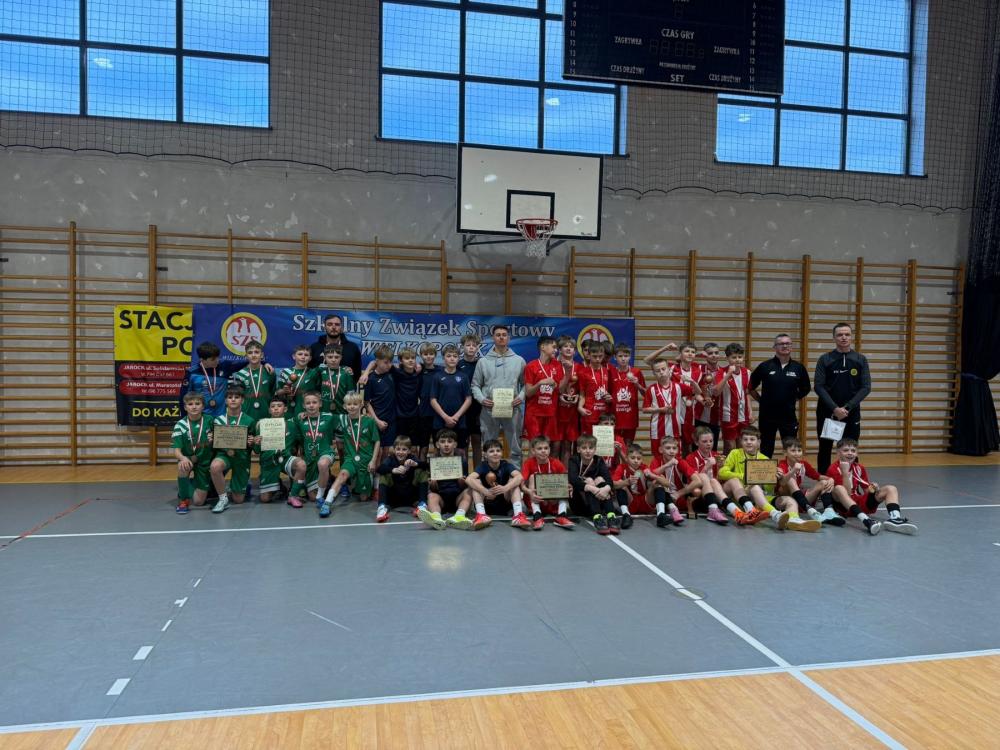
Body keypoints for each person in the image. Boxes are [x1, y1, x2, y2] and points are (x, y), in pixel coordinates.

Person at [826, 438, 918, 536]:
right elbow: (847, 494)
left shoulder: (859, 468)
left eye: (853, 451)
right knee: (839, 489)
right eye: (845, 450)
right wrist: (845, 473)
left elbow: (866, 490)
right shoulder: (833, 469)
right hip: (844, 507)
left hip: (858, 503)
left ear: (857, 453)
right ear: (838, 453)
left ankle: (895, 519)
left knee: (891, 488)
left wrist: (873, 489)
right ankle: (866, 520)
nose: (850, 453)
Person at [814, 323, 872, 473]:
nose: (844, 337)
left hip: (850, 413)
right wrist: (835, 408)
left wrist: (847, 408)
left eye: (847, 334)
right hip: (829, 413)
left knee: (850, 448)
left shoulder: (860, 359)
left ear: (851, 337)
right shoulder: (825, 359)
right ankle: (824, 482)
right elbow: (818, 386)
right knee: (825, 448)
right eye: (840, 335)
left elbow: (866, 387)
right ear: (834, 337)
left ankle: (853, 480)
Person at [471, 324, 526, 468]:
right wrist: (482, 399)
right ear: (493, 338)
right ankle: (488, 474)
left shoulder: (519, 360)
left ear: (509, 338)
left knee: (515, 445)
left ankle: (516, 475)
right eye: (498, 335)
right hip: (489, 409)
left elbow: (526, 384)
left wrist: (520, 397)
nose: (501, 337)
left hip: (512, 409)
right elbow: (475, 385)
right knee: (488, 445)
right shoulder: (483, 361)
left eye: (504, 335)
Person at [749, 334, 811, 459]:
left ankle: (790, 471)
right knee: (766, 447)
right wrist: (761, 400)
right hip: (767, 415)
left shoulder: (798, 368)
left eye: (788, 343)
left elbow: (806, 388)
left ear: (791, 347)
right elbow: (750, 387)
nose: (785, 346)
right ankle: (765, 472)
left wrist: (793, 399)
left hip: (788, 416)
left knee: (791, 447)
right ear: (774, 347)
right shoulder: (765, 366)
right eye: (781, 343)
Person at [717, 425, 782, 527]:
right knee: (735, 480)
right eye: (745, 439)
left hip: (752, 495)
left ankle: (774, 514)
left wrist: (773, 478)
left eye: (752, 439)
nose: (748, 442)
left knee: (754, 486)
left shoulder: (765, 459)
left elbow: (769, 490)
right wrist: (744, 476)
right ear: (741, 441)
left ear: (759, 442)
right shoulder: (735, 453)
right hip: (733, 493)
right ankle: (756, 510)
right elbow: (721, 473)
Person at [208, 386, 256, 514]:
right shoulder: (218, 420)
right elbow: (214, 444)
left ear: (242, 400)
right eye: (230, 397)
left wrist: (252, 442)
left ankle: (239, 487)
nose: (233, 400)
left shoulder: (249, 420)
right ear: (225, 401)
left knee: (238, 500)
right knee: (215, 466)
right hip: (224, 456)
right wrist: (211, 440)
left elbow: (254, 447)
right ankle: (223, 499)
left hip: (241, 458)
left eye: (237, 397)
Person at [327, 392, 380, 507]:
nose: (352, 407)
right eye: (349, 404)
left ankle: (364, 483)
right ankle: (327, 502)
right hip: (350, 458)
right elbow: (321, 415)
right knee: (342, 474)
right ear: (344, 406)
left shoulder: (369, 421)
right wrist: (304, 413)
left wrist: (373, 461)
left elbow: (377, 441)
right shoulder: (342, 419)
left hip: (365, 460)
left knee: (363, 498)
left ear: (361, 405)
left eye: (355, 404)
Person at [775, 437, 840, 526]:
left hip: (800, 500)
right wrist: (793, 471)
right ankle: (811, 511)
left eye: (799, 450)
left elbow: (818, 476)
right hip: (785, 499)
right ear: (785, 453)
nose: (797, 453)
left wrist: (831, 479)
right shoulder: (782, 464)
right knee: (790, 479)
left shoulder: (804, 464)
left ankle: (828, 511)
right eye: (793, 451)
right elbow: (782, 483)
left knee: (824, 483)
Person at [291, 391, 337, 515]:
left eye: (314, 402)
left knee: (323, 464)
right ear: (303, 405)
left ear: (320, 404)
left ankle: (320, 497)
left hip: (326, 452)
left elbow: (347, 419)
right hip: (310, 458)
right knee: (311, 496)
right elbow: (285, 424)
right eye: (308, 403)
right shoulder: (299, 419)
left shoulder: (329, 417)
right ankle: (327, 481)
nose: (311, 405)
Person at [419, 429, 476, 530]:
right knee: (431, 495)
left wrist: (461, 482)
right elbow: (434, 489)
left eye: (449, 441)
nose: (446, 445)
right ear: (437, 444)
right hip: (441, 499)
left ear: (455, 444)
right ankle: (436, 518)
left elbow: (463, 487)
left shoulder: (462, 462)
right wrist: (433, 484)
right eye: (442, 441)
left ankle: (459, 516)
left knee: (469, 491)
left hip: (457, 498)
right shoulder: (433, 462)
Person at [253, 396, 304, 505]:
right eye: (273, 406)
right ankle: (280, 487)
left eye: (279, 406)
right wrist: (256, 442)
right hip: (269, 462)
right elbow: (257, 451)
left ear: (285, 409)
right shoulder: (261, 425)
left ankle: (293, 495)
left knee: (301, 465)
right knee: (265, 499)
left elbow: (301, 441)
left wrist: (299, 451)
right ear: (269, 410)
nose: (276, 408)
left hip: (285, 458)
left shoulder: (292, 425)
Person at [642, 357, 696, 456]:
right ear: (654, 373)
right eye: (658, 371)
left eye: (663, 369)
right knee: (658, 456)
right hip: (657, 429)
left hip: (675, 429)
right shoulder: (651, 389)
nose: (661, 372)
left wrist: (693, 382)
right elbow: (644, 409)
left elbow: (697, 392)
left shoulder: (678, 386)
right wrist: (660, 409)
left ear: (668, 369)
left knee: (676, 456)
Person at [465, 438, 524, 529]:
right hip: (487, 503)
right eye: (491, 451)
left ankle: (518, 516)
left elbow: (520, 477)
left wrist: (505, 488)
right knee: (476, 482)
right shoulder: (482, 466)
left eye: (498, 451)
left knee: (513, 482)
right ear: (485, 454)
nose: (495, 453)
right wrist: (485, 491)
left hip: (504, 504)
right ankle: (481, 515)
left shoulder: (506, 465)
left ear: (501, 453)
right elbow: (468, 479)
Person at [519, 435, 574, 529]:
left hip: (552, 501)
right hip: (535, 499)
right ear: (533, 451)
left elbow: (566, 481)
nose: (543, 451)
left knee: (563, 483)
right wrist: (529, 492)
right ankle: (537, 516)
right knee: (532, 477)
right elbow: (521, 484)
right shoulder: (529, 463)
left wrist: (569, 487)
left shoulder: (556, 463)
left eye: (546, 448)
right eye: (539, 448)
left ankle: (562, 515)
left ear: (549, 449)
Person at [173, 392, 214, 514]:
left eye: (197, 403)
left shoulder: (210, 420)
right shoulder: (180, 425)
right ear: (185, 407)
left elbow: (219, 440)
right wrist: (183, 458)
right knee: (182, 466)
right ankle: (183, 500)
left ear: (203, 406)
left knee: (198, 502)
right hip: (188, 459)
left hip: (204, 462)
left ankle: (189, 484)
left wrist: (214, 439)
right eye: (190, 404)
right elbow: (176, 450)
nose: (194, 407)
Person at [646, 436, 701, 528]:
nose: (671, 451)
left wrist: (678, 493)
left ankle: (669, 510)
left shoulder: (681, 462)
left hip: (676, 498)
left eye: (674, 448)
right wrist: (667, 465)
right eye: (668, 448)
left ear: (677, 450)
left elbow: (698, 481)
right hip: (658, 497)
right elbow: (650, 476)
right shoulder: (656, 460)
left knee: (697, 491)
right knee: (657, 480)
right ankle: (664, 513)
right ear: (661, 450)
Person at [429, 343, 472, 454]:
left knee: (461, 451)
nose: (452, 358)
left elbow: (468, 399)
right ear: (443, 358)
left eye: (455, 356)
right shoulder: (437, 376)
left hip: (459, 421)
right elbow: (433, 400)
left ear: (458, 358)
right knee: (439, 451)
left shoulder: (463, 377)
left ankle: (463, 467)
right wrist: (445, 417)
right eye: (449, 356)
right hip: (440, 421)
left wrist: (456, 417)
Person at [569, 434, 616, 535]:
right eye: (584, 448)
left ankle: (611, 516)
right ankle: (597, 517)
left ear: (595, 450)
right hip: (580, 505)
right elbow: (573, 480)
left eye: (591, 448)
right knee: (590, 480)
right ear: (578, 449)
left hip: (598, 501)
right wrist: (592, 488)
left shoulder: (598, 460)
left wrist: (605, 489)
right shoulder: (574, 460)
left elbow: (609, 480)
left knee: (601, 480)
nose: (588, 451)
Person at [183, 341, 243, 420]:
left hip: (222, 417)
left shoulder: (224, 366)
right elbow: (184, 397)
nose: (217, 360)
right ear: (202, 360)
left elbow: (246, 363)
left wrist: (260, 361)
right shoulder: (192, 373)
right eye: (213, 359)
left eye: (217, 357)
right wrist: (185, 419)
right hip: (201, 418)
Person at [376, 436, 429, 523]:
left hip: (411, 497)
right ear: (394, 450)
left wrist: (416, 464)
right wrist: (393, 470)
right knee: (384, 474)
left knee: (422, 472)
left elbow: (426, 466)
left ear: (409, 451)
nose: (400, 452)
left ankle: (422, 505)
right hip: (394, 498)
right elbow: (379, 469)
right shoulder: (390, 459)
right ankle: (381, 507)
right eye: (398, 449)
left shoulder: (411, 458)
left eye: (404, 449)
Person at [523, 335, 566, 443]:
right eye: (553, 347)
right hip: (534, 414)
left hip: (551, 413)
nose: (556, 350)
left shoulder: (557, 365)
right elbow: (528, 393)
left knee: (547, 446)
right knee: (535, 445)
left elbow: (560, 390)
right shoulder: (531, 366)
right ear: (543, 347)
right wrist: (540, 383)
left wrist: (568, 373)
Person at [684, 425, 729, 525]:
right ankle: (714, 509)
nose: (708, 444)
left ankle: (738, 510)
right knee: (701, 483)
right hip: (700, 492)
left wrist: (721, 468)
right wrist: (706, 467)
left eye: (711, 441)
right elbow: (694, 482)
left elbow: (721, 480)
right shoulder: (690, 458)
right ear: (696, 442)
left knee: (732, 481)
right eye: (704, 441)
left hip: (716, 489)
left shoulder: (717, 456)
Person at [713, 343, 753, 453]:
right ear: (727, 358)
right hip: (728, 414)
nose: (737, 360)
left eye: (740, 357)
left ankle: (739, 465)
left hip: (743, 415)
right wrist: (728, 374)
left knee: (742, 446)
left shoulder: (747, 372)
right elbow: (716, 392)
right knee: (729, 446)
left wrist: (750, 412)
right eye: (734, 357)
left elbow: (747, 393)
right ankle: (727, 464)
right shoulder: (721, 372)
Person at [363, 345, 398, 465]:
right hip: (377, 419)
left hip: (391, 419)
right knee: (377, 452)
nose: (389, 365)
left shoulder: (392, 373)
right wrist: (377, 420)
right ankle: (373, 473)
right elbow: (366, 403)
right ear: (377, 361)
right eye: (386, 362)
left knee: (387, 451)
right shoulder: (371, 378)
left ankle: (382, 474)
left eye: (390, 362)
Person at [609, 343, 646, 445]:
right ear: (615, 357)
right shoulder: (610, 372)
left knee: (628, 445)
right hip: (614, 417)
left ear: (630, 357)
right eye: (620, 356)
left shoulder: (636, 372)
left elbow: (645, 394)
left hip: (630, 416)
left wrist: (637, 384)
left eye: (626, 356)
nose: (623, 359)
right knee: (614, 445)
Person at [232, 339, 276, 423]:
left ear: (262, 355)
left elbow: (272, 393)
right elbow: (238, 397)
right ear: (246, 356)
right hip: (246, 415)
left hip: (266, 414)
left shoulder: (269, 372)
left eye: (256, 352)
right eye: (250, 353)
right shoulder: (240, 374)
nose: (253, 355)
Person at [554, 335, 582, 466]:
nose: (569, 349)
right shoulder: (554, 366)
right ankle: (553, 472)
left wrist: (577, 397)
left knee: (567, 445)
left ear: (575, 351)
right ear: (559, 349)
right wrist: (558, 395)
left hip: (572, 412)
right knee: (555, 444)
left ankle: (565, 473)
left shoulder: (579, 367)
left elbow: (583, 389)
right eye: (565, 346)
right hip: (556, 411)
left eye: (571, 347)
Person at [576, 340, 614, 436]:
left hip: (604, 415)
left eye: (600, 356)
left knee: (603, 443)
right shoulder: (582, 372)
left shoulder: (607, 371)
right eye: (594, 356)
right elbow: (582, 394)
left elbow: (611, 392)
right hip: (589, 413)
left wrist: (610, 398)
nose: (597, 359)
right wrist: (580, 407)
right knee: (588, 442)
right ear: (588, 356)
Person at [309, 313, 362, 379]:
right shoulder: (314, 347)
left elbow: (357, 373)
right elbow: (308, 371)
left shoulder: (352, 348)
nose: (334, 327)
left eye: (337, 324)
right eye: (330, 324)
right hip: (319, 385)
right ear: (324, 327)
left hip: (344, 385)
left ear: (341, 327)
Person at [457, 334, 483, 464]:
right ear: (462, 347)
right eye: (468, 345)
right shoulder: (458, 364)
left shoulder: (482, 364)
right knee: (464, 442)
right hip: (462, 409)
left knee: (477, 441)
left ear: (478, 347)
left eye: (474, 345)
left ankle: (478, 472)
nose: (471, 347)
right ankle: (465, 473)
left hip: (478, 408)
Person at [612, 443, 652, 528]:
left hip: (644, 501)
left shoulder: (644, 467)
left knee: (656, 483)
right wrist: (626, 482)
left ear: (642, 459)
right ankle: (626, 514)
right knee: (621, 484)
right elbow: (613, 484)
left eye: (639, 458)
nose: (636, 461)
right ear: (626, 458)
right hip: (630, 501)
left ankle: (662, 512)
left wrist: (652, 476)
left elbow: (660, 481)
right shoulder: (621, 467)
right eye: (633, 458)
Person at [276, 344, 320, 416]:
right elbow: (278, 392)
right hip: (289, 410)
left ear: (310, 358)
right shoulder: (286, 372)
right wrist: (284, 391)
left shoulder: (313, 373)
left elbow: (318, 392)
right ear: (294, 356)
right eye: (300, 354)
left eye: (306, 355)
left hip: (307, 411)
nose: (303, 357)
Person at [694, 342, 723, 450]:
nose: (714, 355)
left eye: (716, 353)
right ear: (705, 355)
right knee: (696, 446)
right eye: (710, 353)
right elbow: (680, 360)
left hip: (716, 415)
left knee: (712, 447)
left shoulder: (723, 371)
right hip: (699, 414)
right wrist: (697, 354)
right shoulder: (698, 368)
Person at [317, 344, 355, 417]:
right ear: (324, 357)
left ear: (341, 358)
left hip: (342, 412)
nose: (333, 360)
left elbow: (351, 395)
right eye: (330, 357)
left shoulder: (346, 372)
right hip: (323, 412)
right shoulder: (320, 371)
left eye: (336, 357)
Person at [415, 342, 439, 459]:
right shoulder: (417, 370)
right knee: (423, 448)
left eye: (431, 354)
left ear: (435, 355)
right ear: (421, 355)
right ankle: (421, 469)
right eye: (425, 354)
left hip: (438, 415)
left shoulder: (441, 371)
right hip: (423, 414)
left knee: (438, 447)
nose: (428, 356)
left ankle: (438, 471)